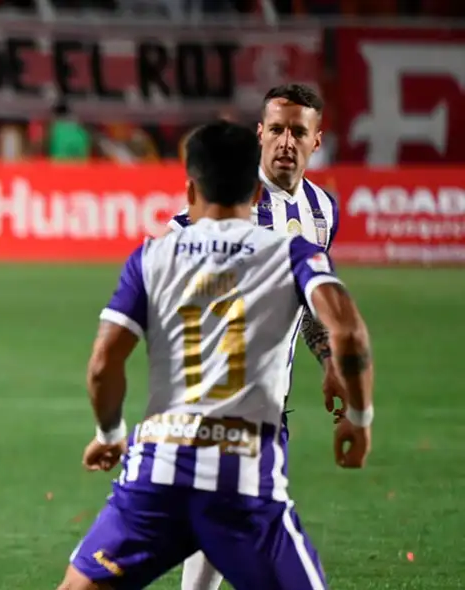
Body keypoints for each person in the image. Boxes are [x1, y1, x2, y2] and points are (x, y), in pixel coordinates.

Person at [59, 120, 374, 590]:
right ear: (256, 188)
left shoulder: (151, 256)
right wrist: (358, 418)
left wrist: (108, 433)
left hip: (155, 473)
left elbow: (104, 361)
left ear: (190, 187)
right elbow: (347, 330)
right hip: (241, 476)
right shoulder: (292, 252)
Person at [166, 85, 344, 590]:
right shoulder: (231, 194)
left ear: (316, 140)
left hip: (270, 408)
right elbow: (172, 247)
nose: (287, 141)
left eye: (299, 132)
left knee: (221, 535)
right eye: (278, 130)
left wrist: (328, 358)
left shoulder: (322, 212)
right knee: (251, 535)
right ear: (260, 134)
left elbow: (309, 303)